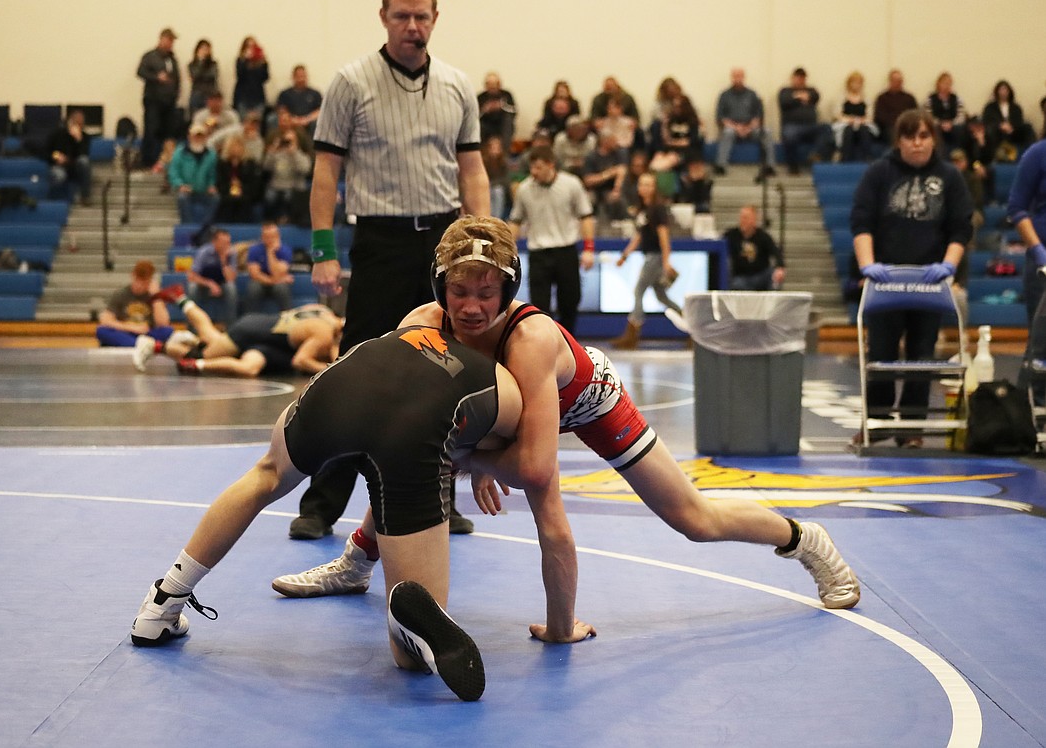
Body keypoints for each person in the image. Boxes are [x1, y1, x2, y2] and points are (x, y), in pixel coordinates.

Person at [272, 216, 862, 616]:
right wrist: (463, 449)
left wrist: (473, 457)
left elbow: (533, 467)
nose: (472, 307)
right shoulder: (423, 324)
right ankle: (356, 561)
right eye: (459, 291)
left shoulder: (529, 339)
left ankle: (804, 538)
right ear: (439, 286)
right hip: (505, 407)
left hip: (583, 398)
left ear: (509, 292)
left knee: (694, 518)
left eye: (486, 292)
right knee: (411, 448)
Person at [130, 322, 544, 701]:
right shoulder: (506, 379)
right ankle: (408, 629)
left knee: (266, 475)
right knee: (408, 660)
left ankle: (163, 600)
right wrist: (478, 462)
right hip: (414, 434)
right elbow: (530, 468)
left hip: (342, 387)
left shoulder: (418, 319)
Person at [289, 0, 491, 541]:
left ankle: (439, 500)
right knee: (355, 372)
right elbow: (326, 170)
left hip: (443, 246)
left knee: (446, 371)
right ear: (383, 18)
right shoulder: (350, 82)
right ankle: (321, 503)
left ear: (435, 18)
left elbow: (471, 168)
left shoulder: (457, 86)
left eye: (422, 16)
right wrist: (323, 248)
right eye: (402, 16)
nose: (412, 27)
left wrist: (480, 242)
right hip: (379, 241)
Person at [851, 108, 972, 448]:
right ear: (899, 140)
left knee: (921, 355)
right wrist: (867, 266)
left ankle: (912, 428)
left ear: (933, 139)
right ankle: (876, 422)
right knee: (881, 354)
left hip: (929, 281)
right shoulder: (879, 173)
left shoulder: (950, 177)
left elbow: (961, 227)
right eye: (909, 137)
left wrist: (948, 266)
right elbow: (861, 221)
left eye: (923, 136)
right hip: (887, 278)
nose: (917, 144)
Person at [134, 288, 341, 377]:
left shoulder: (322, 312)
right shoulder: (324, 335)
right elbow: (300, 361)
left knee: (210, 337)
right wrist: (329, 369)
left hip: (258, 324)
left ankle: (181, 302)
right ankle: (159, 341)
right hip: (251, 334)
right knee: (202, 352)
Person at [509, 146, 595, 335]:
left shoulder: (571, 184)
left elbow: (585, 216)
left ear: (551, 165)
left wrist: (589, 248)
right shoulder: (524, 189)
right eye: (532, 168)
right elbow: (516, 220)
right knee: (539, 305)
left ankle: (569, 339)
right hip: (539, 252)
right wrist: (507, 248)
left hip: (565, 250)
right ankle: (544, 341)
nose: (534, 172)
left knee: (570, 300)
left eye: (539, 168)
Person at [612, 171, 688, 348]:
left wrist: (666, 260)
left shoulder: (658, 209)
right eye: (642, 184)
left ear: (654, 188)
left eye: (648, 185)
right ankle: (692, 325)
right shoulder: (643, 209)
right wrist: (625, 255)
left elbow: (664, 236)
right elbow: (639, 235)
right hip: (650, 255)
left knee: (639, 290)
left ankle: (633, 332)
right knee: (662, 296)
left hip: (655, 257)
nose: (644, 188)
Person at [1007, 138, 1046, 403]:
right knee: (1041, 343)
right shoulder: (1038, 154)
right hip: (1043, 263)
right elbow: (1016, 208)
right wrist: (1038, 250)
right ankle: (1034, 416)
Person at [714, 67, 776, 181]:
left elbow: (758, 116)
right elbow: (721, 117)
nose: (738, 79)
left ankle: (770, 166)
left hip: (750, 128)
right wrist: (737, 128)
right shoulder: (724, 95)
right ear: (731, 78)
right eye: (735, 76)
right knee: (727, 132)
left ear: (744, 77)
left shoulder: (752, 94)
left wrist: (748, 127)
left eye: (740, 76)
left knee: (767, 132)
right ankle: (721, 166)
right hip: (732, 128)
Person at [95, 260, 174, 348]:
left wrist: (156, 297)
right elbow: (105, 319)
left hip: (146, 334)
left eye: (144, 283)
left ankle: (138, 345)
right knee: (101, 331)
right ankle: (144, 345)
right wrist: (131, 327)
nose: (139, 285)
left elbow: (163, 323)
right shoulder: (121, 294)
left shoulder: (155, 296)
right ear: (132, 276)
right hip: (125, 333)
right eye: (137, 280)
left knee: (168, 331)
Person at [136, 27, 181, 169]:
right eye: (169, 40)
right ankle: (148, 160)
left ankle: (164, 160)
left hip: (169, 102)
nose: (170, 44)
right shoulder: (150, 56)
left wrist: (175, 93)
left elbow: (176, 78)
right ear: (161, 39)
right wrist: (156, 77)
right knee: (152, 129)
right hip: (153, 100)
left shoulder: (172, 59)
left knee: (167, 131)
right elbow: (140, 72)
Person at [777, 67, 832, 175]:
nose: (800, 80)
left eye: (802, 78)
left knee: (827, 128)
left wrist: (801, 97)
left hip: (811, 127)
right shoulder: (785, 91)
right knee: (789, 134)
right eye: (797, 78)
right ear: (792, 78)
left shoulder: (811, 90)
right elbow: (784, 102)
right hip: (792, 127)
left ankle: (815, 155)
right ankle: (793, 167)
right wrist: (799, 97)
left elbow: (816, 97)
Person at [723, 204, 786, 291]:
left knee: (772, 275)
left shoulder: (763, 236)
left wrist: (780, 267)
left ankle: (771, 302)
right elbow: (719, 245)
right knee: (736, 283)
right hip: (740, 277)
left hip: (760, 275)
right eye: (741, 217)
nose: (742, 221)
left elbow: (776, 252)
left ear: (753, 220)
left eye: (746, 218)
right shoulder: (731, 235)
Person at [261, 122, 313, 223]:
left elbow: (305, 169)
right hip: (276, 185)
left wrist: (294, 153)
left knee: (288, 196)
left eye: (291, 141)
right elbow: (266, 167)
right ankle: (270, 221)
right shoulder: (277, 154)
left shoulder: (301, 155)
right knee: (269, 197)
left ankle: (287, 220)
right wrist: (272, 151)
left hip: (294, 186)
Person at [187, 226, 238, 326]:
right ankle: (192, 328)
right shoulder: (204, 252)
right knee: (192, 288)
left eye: (228, 242)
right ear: (214, 242)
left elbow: (230, 279)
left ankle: (231, 327)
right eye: (224, 243)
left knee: (231, 288)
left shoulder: (232, 254)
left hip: (222, 284)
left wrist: (224, 260)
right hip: (203, 284)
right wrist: (210, 284)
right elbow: (192, 276)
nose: (227, 245)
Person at [169, 124, 219, 224]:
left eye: (201, 136)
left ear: (206, 138)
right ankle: (188, 225)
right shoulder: (180, 153)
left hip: (204, 191)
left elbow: (213, 174)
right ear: (189, 137)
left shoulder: (211, 155)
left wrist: (211, 185)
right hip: (187, 191)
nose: (198, 138)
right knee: (182, 198)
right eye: (196, 136)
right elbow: (173, 172)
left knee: (215, 198)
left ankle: (206, 226)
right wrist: (180, 185)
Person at [242, 222, 294, 313]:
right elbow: (255, 274)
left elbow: (277, 273)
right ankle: (251, 319)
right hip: (261, 281)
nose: (269, 239)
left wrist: (270, 252)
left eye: (272, 236)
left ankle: (287, 318)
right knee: (253, 288)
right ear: (262, 237)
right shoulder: (254, 250)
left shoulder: (285, 250)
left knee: (281, 288)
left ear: (278, 236)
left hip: (278, 283)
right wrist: (274, 280)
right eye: (266, 236)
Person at [214, 134, 264, 223]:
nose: (236, 149)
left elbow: (254, 184)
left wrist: (241, 186)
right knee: (227, 201)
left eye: (239, 146)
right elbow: (219, 182)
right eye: (233, 146)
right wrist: (230, 186)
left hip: (245, 193)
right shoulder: (222, 164)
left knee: (243, 201)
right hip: (226, 193)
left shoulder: (250, 164)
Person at [47, 109, 92, 205]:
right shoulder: (58, 134)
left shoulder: (85, 137)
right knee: (59, 175)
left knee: (84, 161)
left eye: (81, 124)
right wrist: (56, 156)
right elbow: (48, 151)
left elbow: (84, 155)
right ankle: (54, 201)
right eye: (76, 123)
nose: (78, 126)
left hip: (74, 167)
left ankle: (85, 196)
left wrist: (78, 140)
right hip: (59, 166)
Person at [832, 71, 877, 163]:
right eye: (854, 82)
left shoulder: (866, 99)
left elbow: (870, 115)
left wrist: (861, 120)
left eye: (858, 83)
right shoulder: (841, 98)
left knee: (864, 130)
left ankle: (867, 158)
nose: (856, 85)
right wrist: (849, 120)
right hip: (846, 124)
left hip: (862, 123)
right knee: (848, 130)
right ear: (849, 84)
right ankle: (844, 158)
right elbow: (836, 114)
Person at [981, 80, 1034, 154]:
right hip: (997, 132)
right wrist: (1000, 125)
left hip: (1013, 132)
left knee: (1028, 127)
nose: (1003, 92)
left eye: (1006, 90)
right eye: (1001, 90)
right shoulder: (990, 107)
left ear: (1009, 92)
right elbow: (986, 121)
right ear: (997, 92)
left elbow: (1019, 121)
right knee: (990, 130)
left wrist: (1011, 127)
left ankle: (1031, 153)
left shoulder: (1016, 107)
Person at [924, 72, 968, 155]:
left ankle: (957, 154)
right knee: (934, 129)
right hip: (937, 125)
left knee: (960, 128)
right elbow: (928, 116)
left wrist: (951, 123)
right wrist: (941, 124)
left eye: (949, 84)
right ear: (938, 84)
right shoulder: (930, 99)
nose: (946, 86)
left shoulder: (957, 99)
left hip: (953, 126)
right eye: (944, 83)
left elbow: (961, 116)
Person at [872, 69, 917, 147]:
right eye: (895, 80)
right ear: (890, 81)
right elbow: (879, 116)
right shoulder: (882, 98)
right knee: (893, 131)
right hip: (888, 127)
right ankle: (896, 155)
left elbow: (915, 114)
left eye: (899, 80)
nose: (897, 83)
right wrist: (895, 122)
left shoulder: (909, 98)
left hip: (907, 125)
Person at [275, 65, 323, 136]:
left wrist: (306, 120)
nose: (301, 79)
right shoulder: (285, 94)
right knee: (272, 119)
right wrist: (292, 120)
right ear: (293, 77)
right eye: (298, 76)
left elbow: (319, 111)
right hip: (290, 120)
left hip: (309, 121)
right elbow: (282, 110)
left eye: (303, 76)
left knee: (316, 123)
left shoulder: (315, 93)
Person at [233, 36, 270, 119]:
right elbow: (239, 76)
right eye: (248, 46)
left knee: (256, 122)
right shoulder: (240, 61)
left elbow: (265, 78)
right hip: (243, 98)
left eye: (253, 47)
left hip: (258, 98)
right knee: (243, 122)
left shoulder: (262, 62)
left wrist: (261, 62)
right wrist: (245, 61)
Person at [477, 71, 516, 149]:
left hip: (502, 124)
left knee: (508, 120)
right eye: (489, 85)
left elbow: (514, 111)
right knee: (479, 126)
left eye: (494, 85)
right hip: (486, 124)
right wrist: (485, 110)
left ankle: (505, 152)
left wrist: (502, 107)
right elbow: (474, 117)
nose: (492, 87)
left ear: (499, 84)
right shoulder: (480, 97)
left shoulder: (507, 95)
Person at [187, 39, 219, 116]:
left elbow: (212, 75)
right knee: (195, 118)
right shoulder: (192, 64)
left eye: (207, 49)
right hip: (196, 94)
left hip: (209, 95)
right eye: (202, 49)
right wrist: (200, 62)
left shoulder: (213, 64)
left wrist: (201, 75)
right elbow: (194, 75)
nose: (204, 52)